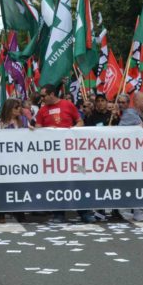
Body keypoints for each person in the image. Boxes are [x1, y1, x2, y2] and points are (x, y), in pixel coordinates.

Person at [34, 85, 91, 223]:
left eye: (43, 96)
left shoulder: (68, 105)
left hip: (72, 153)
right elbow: (38, 128)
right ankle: (58, 214)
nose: (41, 99)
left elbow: (80, 121)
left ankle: (84, 212)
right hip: (53, 155)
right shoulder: (42, 111)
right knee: (56, 183)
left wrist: (73, 130)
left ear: (52, 94)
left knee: (79, 180)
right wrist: (48, 130)